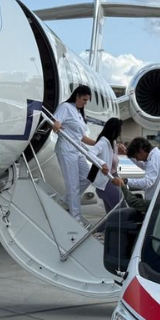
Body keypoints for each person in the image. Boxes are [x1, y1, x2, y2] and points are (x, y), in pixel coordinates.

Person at [52, 85, 99, 222]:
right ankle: (76, 219)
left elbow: (81, 137)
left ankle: (65, 200)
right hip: (66, 150)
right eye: (84, 100)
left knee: (89, 177)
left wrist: (99, 143)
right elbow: (55, 122)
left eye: (87, 100)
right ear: (77, 95)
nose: (85, 103)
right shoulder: (66, 107)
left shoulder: (78, 112)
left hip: (77, 150)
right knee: (73, 185)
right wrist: (56, 125)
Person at [87, 118, 123, 212]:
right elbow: (90, 153)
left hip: (113, 179)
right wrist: (102, 163)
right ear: (114, 131)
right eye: (119, 131)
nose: (119, 134)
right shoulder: (103, 142)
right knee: (121, 208)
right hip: (106, 183)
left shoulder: (112, 143)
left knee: (112, 212)